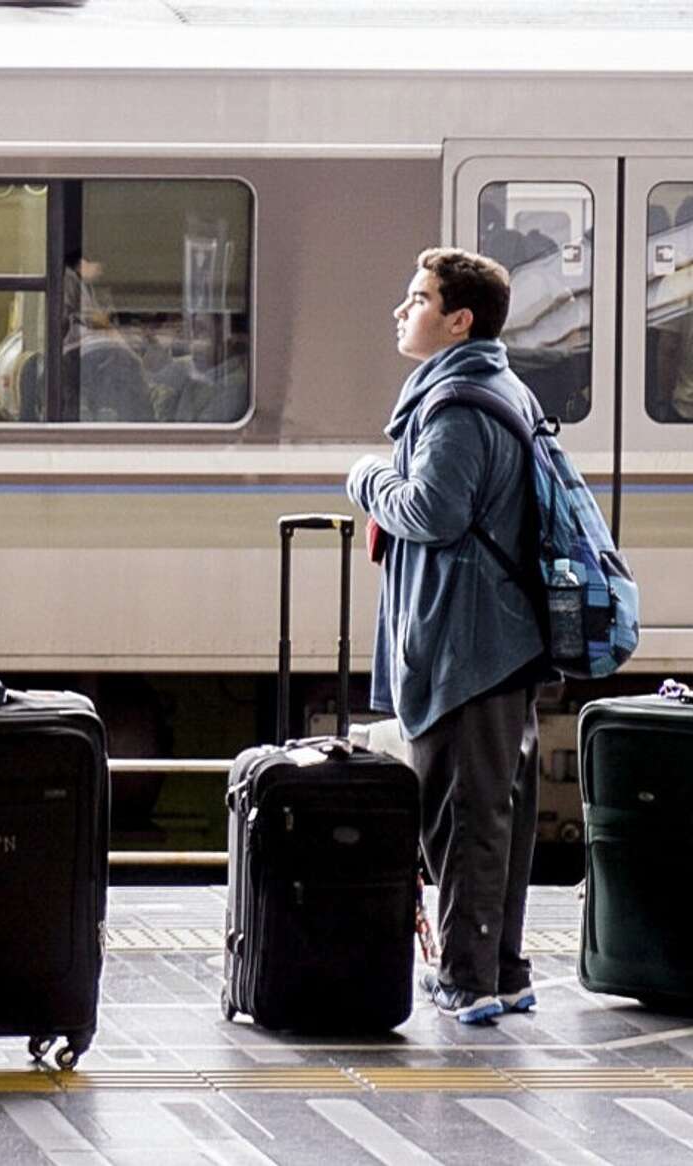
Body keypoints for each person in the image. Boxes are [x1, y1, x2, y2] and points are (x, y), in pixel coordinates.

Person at [347, 247, 547, 1026]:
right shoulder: (495, 388)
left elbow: (432, 512)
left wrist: (365, 475)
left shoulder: (459, 404)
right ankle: (502, 967)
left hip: (470, 642)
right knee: (492, 809)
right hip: (493, 635)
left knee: (462, 814)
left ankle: (470, 978)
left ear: (458, 320)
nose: (403, 310)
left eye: (418, 297)